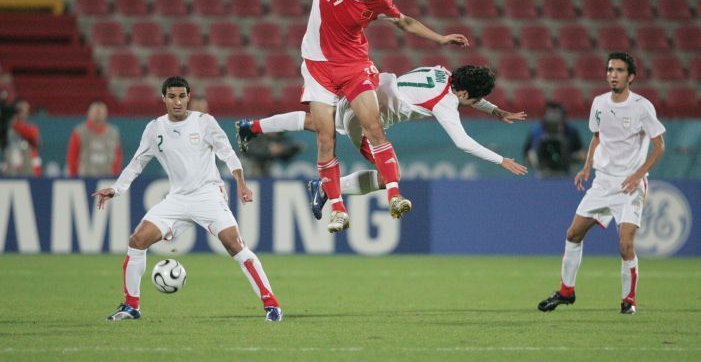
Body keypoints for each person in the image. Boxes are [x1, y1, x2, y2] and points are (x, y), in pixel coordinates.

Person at [262, 0, 469, 233]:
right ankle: (337, 209)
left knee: (373, 125)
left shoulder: (378, 2)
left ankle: (394, 194)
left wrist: (439, 39)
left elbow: (404, 22)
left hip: (355, 66)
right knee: (325, 137)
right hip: (318, 69)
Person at [93, 76, 282, 322]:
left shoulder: (204, 122)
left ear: (188, 97)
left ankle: (272, 305)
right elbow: (137, 163)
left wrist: (241, 183)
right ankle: (131, 306)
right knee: (137, 240)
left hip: (208, 195)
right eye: (172, 96)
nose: (177, 101)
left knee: (234, 244)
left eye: (182, 96)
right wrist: (116, 189)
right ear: (163, 98)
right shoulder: (154, 128)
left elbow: (228, 154)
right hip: (177, 198)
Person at [236, 64, 528, 219]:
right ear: (463, 94)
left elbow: (468, 96)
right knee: (391, 174)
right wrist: (500, 159)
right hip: (366, 120)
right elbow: (462, 142)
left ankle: (252, 126)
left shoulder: (442, 72)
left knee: (316, 122)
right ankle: (326, 187)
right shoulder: (445, 103)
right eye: (475, 100)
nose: (475, 103)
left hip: (365, 92)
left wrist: (495, 111)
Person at [538, 52, 665, 315]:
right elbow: (597, 137)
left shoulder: (642, 107)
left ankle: (628, 301)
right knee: (573, 234)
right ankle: (566, 292)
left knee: (625, 244)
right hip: (602, 182)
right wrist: (587, 167)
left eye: (619, 70)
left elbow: (659, 146)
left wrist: (638, 175)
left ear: (631, 76)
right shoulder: (599, 103)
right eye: (610, 70)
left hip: (629, 186)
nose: (613, 75)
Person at [523, 101, 585, 178]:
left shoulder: (572, 130)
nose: (553, 118)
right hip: (541, 170)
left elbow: (582, 153)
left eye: (556, 114)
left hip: (567, 170)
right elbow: (526, 154)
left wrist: (571, 157)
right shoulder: (535, 130)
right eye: (550, 114)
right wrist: (534, 160)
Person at [0, 97, 42, 177]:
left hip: (29, 171)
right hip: (8, 172)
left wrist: (13, 123)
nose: (24, 112)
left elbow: (33, 137)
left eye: (27, 109)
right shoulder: (4, 128)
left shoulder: (31, 127)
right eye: (20, 110)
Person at [66, 101, 122, 177]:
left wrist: (115, 176)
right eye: (95, 111)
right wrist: (74, 178)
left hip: (108, 178)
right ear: (88, 113)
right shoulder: (79, 132)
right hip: (85, 177)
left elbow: (117, 157)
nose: (98, 114)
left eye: (101, 112)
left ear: (106, 113)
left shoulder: (113, 133)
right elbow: (72, 157)